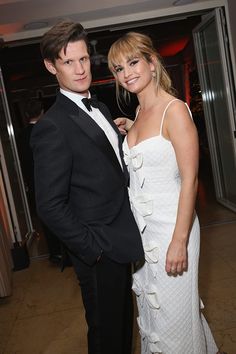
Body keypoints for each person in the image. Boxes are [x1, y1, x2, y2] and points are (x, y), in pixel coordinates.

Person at [30, 21, 144, 354]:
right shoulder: (52, 126)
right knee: (106, 337)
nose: (80, 70)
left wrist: (125, 135)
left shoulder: (103, 107)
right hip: (98, 250)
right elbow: (49, 205)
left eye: (83, 59)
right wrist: (93, 249)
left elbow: (105, 167)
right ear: (52, 66)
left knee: (122, 330)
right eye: (69, 62)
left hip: (120, 239)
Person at [108, 32, 223, 354]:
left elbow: (190, 180)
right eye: (118, 68)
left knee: (174, 317)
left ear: (152, 63)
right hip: (142, 235)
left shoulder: (175, 110)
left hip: (173, 230)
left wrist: (179, 240)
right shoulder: (141, 114)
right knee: (155, 312)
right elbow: (154, 153)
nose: (127, 73)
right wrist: (131, 130)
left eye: (133, 62)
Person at [17, 98, 63, 265]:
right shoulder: (46, 130)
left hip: (33, 184)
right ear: (42, 111)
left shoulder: (21, 135)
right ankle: (62, 252)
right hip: (50, 182)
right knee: (58, 216)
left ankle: (54, 253)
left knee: (45, 219)